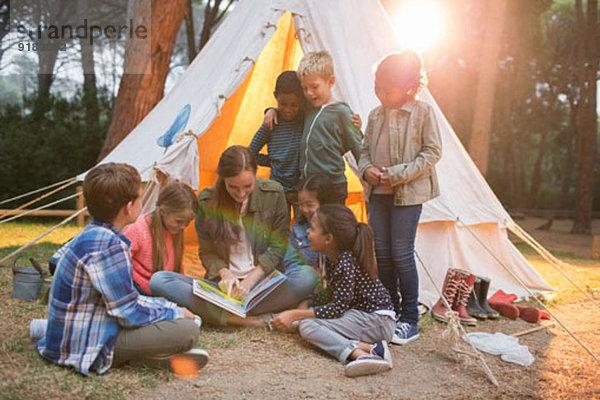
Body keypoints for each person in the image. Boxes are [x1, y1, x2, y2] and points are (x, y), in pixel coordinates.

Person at [36, 163, 208, 376]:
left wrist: (167, 307)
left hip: (81, 329)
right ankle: (149, 356)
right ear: (129, 207)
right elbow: (129, 312)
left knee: (171, 317)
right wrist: (175, 312)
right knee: (187, 331)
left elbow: (126, 301)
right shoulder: (110, 246)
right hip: (85, 343)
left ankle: (150, 355)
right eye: (139, 197)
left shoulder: (96, 234)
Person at [150, 146, 316, 326]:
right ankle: (245, 318)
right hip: (223, 290)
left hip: (263, 285)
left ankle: (223, 313)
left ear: (255, 175)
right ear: (222, 179)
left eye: (248, 186)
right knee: (160, 280)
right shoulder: (206, 201)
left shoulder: (273, 194)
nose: (241, 193)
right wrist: (225, 275)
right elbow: (207, 253)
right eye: (233, 187)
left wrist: (251, 280)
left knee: (307, 276)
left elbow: (278, 246)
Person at [358, 50, 442, 345]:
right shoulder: (375, 115)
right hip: (377, 195)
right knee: (381, 253)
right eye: (377, 88)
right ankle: (390, 311)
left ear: (408, 87)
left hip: (406, 196)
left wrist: (397, 174)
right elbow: (364, 150)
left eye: (387, 90)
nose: (380, 94)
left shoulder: (423, 113)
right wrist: (366, 169)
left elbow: (432, 152)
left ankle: (409, 319)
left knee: (401, 253)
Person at [271, 204, 396, 378]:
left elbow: (337, 309)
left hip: (376, 321)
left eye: (313, 228)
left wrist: (295, 313)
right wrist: (310, 302)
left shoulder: (345, 263)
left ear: (328, 239)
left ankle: (359, 354)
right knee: (309, 322)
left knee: (307, 324)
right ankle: (373, 348)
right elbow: (333, 294)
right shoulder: (332, 259)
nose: (307, 232)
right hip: (368, 319)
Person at [264, 51, 363, 204]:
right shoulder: (308, 109)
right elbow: (289, 109)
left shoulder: (343, 113)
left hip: (332, 186)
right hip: (307, 185)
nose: (309, 93)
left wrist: (367, 176)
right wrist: (271, 110)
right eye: (304, 88)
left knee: (329, 225)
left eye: (314, 87)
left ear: (331, 81)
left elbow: (356, 145)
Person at [124, 182, 199, 296]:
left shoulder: (175, 232)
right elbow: (120, 265)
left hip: (162, 290)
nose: (183, 227)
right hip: (138, 289)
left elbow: (177, 270)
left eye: (187, 222)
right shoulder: (138, 229)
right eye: (179, 221)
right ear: (163, 212)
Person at [248, 71, 304, 219]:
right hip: (277, 190)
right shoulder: (271, 122)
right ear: (275, 97)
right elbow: (250, 153)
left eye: (294, 105)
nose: (288, 109)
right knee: (279, 231)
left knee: (303, 231)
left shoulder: (305, 119)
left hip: (302, 190)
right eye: (282, 104)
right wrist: (273, 162)